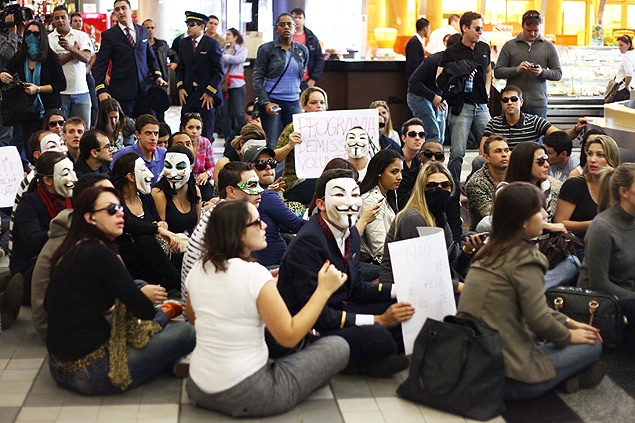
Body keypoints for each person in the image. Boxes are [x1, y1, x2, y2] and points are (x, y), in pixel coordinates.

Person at [184, 200, 349, 417]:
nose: (264, 226)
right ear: (239, 233)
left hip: (198, 387)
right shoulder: (254, 274)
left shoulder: (199, 269)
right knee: (338, 346)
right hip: (250, 393)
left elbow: (193, 317)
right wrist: (323, 290)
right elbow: (288, 336)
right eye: (257, 222)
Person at [457, 182, 606, 400]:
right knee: (591, 345)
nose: (546, 215)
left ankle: (569, 376)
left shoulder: (488, 251)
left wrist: (570, 322)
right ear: (522, 221)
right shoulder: (525, 258)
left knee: (572, 339)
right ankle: (565, 377)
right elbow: (539, 320)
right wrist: (569, 335)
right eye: (540, 210)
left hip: (471, 364)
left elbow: (531, 308)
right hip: (507, 378)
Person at [45, 185, 196, 395]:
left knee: (142, 289)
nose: (119, 214)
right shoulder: (100, 252)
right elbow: (145, 310)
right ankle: (167, 353)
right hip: (90, 372)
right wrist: (139, 303)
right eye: (111, 209)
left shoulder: (74, 246)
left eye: (120, 208)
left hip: (57, 365)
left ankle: (164, 341)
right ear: (90, 218)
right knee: (186, 332)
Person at [277, 169, 414, 377]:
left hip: (338, 308)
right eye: (339, 194)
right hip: (310, 324)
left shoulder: (350, 235)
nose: (350, 202)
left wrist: (401, 290)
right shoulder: (309, 242)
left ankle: (374, 354)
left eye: (355, 194)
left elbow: (356, 288)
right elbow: (317, 315)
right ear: (321, 204)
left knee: (404, 308)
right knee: (380, 335)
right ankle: (356, 363)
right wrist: (378, 320)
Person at [31, 173, 119, 338]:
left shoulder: (86, 229)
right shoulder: (75, 242)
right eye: (106, 194)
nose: (114, 200)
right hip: (59, 326)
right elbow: (80, 298)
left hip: (78, 314)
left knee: (140, 287)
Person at [181, 162, 263, 304]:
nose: (259, 191)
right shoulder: (229, 220)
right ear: (231, 191)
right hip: (206, 306)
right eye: (251, 186)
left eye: (258, 184)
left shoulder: (224, 210)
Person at [11, 151, 76, 306]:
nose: (74, 178)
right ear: (47, 180)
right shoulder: (29, 203)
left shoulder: (71, 197)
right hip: (32, 268)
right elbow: (32, 242)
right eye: (66, 173)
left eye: (72, 171)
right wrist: (64, 229)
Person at [379, 162, 458, 289]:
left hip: (430, 286)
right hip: (401, 293)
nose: (439, 189)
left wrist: (467, 251)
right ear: (421, 188)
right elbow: (421, 272)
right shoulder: (412, 217)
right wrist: (458, 286)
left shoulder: (437, 214)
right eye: (431, 186)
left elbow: (450, 260)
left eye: (445, 185)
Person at [437, 11, 492, 186]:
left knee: (493, 146)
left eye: (482, 28)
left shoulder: (484, 48)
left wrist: (487, 91)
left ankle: (476, 184)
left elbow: (489, 70)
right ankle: (452, 189)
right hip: (461, 106)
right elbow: (439, 78)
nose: (480, 31)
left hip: (482, 105)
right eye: (477, 28)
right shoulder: (452, 51)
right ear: (465, 28)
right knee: (457, 153)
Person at [112, 152, 181, 290]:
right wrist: (156, 228)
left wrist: (161, 225)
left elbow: (156, 221)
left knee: (186, 253)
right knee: (145, 239)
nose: (150, 174)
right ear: (131, 177)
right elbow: (127, 223)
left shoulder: (145, 196)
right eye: (143, 169)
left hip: (155, 257)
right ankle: (178, 284)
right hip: (132, 261)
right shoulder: (115, 200)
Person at [578, 163, 635, 322]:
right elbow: (599, 284)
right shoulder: (602, 227)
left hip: (626, 296)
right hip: (602, 305)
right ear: (624, 192)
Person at [1, 20, 66, 152]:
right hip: (26, 109)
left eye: (36, 34)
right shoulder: (20, 56)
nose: (31, 37)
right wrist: (3, 74)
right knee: (28, 144)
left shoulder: (51, 57)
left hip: (47, 108)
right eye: (28, 33)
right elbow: (7, 69)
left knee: (49, 144)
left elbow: (61, 84)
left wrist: (38, 88)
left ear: (42, 36)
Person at [93, 0, 166, 118]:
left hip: (144, 90)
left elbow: (151, 58)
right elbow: (101, 65)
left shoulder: (142, 31)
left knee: (148, 125)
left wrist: (158, 75)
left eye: (123, 8)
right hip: (122, 92)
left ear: (131, 10)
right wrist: (101, 90)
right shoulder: (109, 35)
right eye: (117, 9)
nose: (121, 12)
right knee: (125, 129)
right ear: (114, 13)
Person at [242, 144, 305, 267]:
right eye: (260, 164)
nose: (268, 167)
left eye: (272, 162)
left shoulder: (252, 194)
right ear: (248, 170)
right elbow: (297, 225)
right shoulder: (267, 196)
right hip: (275, 266)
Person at [494, 10, 562, 119]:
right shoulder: (509, 46)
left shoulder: (548, 47)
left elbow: (558, 74)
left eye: (536, 30)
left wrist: (542, 72)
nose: (533, 34)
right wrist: (517, 70)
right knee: (510, 135)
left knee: (537, 135)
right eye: (529, 30)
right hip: (513, 103)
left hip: (538, 104)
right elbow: (497, 72)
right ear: (522, 26)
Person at [479, 85, 587, 154]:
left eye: (513, 99)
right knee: (478, 162)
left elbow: (560, 136)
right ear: (502, 104)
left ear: (521, 102)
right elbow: (482, 150)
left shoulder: (534, 121)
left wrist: (576, 129)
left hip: (527, 165)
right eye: (505, 100)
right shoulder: (494, 123)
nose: (510, 103)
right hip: (502, 164)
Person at [253, 13, 308, 148]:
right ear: (276, 28)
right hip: (273, 102)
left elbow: (301, 74)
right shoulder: (266, 49)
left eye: (290, 24)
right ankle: (271, 170)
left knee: (296, 142)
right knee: (273, 143)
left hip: (294, 102)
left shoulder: (302, 50)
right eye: (282, 24)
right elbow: (257, 78)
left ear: (295, 28)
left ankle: (290, 170)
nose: (286, 27)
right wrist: (265, 102)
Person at [555, 135, 621, 237]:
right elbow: (559, 223)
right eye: (590, 154)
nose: (592, 159)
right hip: (576, 244)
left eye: (600, 155)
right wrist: (595, 223)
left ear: (611, 158)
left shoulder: (619, 187)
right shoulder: (574, 185)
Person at [274, 86, 327, 204]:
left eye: (322, 103)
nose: (319, 106)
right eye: (314, 103)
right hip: (297, 182)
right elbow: (276, 157)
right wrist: (289, 145)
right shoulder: (294, 127)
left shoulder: (333, 128)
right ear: (304, 106)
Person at [177, 11, 224, 141]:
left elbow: (219, 71)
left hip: (205, 95)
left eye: (192, 24)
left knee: (205, 132)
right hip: (189, 93)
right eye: (187, 24)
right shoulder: (184, 43)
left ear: (202, 27)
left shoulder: (211, 44)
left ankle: (204, 160)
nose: (189, 27)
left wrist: (210, 92)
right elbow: (180, 68)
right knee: (185, 130)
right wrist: (180, 88)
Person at [408, 33, 461, 145]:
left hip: (437, 98)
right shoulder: (433, 60)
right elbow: (413, 82)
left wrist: (444, 99)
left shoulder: (458, 64)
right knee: (433, 133)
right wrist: (433, 97)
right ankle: (429, 160)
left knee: (440, 135)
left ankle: (435, 159)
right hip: (418, 96)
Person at [48, 5, 93, 126]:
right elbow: (53, 64)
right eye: (57, 18)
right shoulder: (48, 39)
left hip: (81, 92)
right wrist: (73, 52)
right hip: (59, 93)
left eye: (63, 17)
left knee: (83, 131)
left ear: (69, 18)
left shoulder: (81, 36)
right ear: (53, 20)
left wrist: (70, 48)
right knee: (60, 132)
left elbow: (86, 58)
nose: (60, 20)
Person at [359, 149, 403, 263]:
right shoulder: (371, 200)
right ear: (379, 172)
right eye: (394, 172)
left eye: (401, 172)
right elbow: (379, 248)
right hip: (375, 263)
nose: (400, 177)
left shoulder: (388, 195)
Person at [152, 145, 201, 235]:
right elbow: (161, 233)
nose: (173, 174)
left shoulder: (195, 190)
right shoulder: (158, 193)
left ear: (190, 168)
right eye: (168, 166)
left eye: (180, 167)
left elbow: (195, 229)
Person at [465, 135, 509, 230]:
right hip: (486, 235)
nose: (504, 154)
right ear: (486, 158)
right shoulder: (476, 184)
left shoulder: (517, 174)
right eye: (498, 151)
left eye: (506, 150)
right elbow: (493, 215)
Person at [112, 114, 166, 184]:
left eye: (156, 133)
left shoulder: (164, 154)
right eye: (148, 133)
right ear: (137, 135)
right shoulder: (123, 154)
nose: (153, 138)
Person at [142, 19, 177, 122]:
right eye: (147, 28)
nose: (150, 30)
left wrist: (175, 63)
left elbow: (173, 55)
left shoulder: (161, 44)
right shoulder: (140, 44)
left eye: (152, 27)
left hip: (159, 82)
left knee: (160, 112)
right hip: (144, 82)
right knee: (147, 111)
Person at [220, 28, 247, 143]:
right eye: (226, 34)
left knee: (239, 113)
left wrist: (224, 56)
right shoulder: (223, 50)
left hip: (237, 85)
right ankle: (228, 138)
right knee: (224, 113)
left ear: (235, 37)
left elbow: (238, 60)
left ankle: (242, 136)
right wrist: (223, 53)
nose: (227, 36)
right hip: (224, 85)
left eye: (229, 34)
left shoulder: (242, 49)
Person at [180, 112, 215, 201]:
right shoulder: (179, 143)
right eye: (190, 127)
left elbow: (212, 167)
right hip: (182, 182)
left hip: (201, 183)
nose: (194, 131)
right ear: (183, 129)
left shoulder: (205, 143)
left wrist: (207, 174)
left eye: (198, 128)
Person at [290, 7, 324, 91]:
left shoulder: (311, 38)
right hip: (288, 80)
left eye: (300, 18)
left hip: (306, 81)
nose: (297, 20)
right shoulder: (285, 36)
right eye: (295, 18)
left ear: (304, 20)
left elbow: (319, 59)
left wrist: (313, 79)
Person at [612, 35, 635, 102]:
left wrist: (627, 85)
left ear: (629, 45)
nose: (619, 48)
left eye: (621, 45)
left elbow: (629, 73)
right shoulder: (633, 54)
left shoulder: (626, 57)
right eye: (618, 45)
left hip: (623, 89)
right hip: (632, 87)